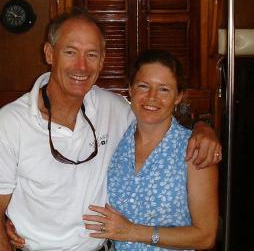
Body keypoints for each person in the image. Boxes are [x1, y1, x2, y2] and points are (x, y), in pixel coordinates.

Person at [0, 8, 221, 251]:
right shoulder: (8, 125)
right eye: (71, 52)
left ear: (102, 61)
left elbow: (157, 117)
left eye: (92, 55)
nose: (81, 66)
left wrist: (203, 128)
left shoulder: (113, 109)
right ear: (50, 53)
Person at [82, 49, 219, 250]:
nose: (152, 97)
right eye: (143, 86)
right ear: (130, 90)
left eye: (164, 89)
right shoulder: (115, 136)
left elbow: (205, 237)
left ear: (179, 96)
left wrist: (133, 231)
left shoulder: (193, 150)